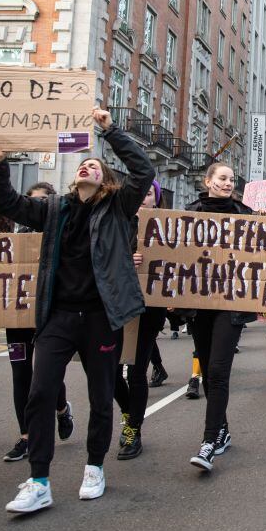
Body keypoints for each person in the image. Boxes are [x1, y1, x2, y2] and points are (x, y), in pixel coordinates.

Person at [0, 108, 154, 512]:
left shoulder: (118, 207)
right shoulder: (53, 209)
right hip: (58, 317)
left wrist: (109, 130)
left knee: (101, 395)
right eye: (83, 164)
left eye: (94, 165)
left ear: (106, 179)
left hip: (101, 318)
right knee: (41, 391)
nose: (87, 167)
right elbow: (10, 204)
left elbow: (144, 170)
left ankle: (95, 467)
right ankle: (39, 480)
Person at [182, 163, 256, 472]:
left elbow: (262, 255)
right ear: (208, 181)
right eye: (222, 178)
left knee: (217, 372)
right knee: (209, 366)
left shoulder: (246, 214)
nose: (228, 183)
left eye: (231, 179)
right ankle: (222, 429)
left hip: (231, 303)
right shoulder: (190, 211)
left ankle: (209, 441)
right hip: (199, 304)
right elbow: (177, 253)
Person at [3, 182, 74, 463]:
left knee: (45, 377)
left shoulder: (64, 236)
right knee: (21, 375)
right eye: (33, 202)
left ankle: (61, 409)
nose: (39, 206)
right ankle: (26, 436)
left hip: (48, 317)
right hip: (17, 318)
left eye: (45, 201)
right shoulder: (14, 242)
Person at [115, 180, 170, 460]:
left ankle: (133, 429)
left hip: (148, 308)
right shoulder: (115, 222)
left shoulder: (164, 227)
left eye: (147, 194)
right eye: (138, 192)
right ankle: (128, 411)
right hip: (114, 305)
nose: (141, 198)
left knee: (137, 370)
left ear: (155, 199)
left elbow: (177, 262)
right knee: (109, 372)